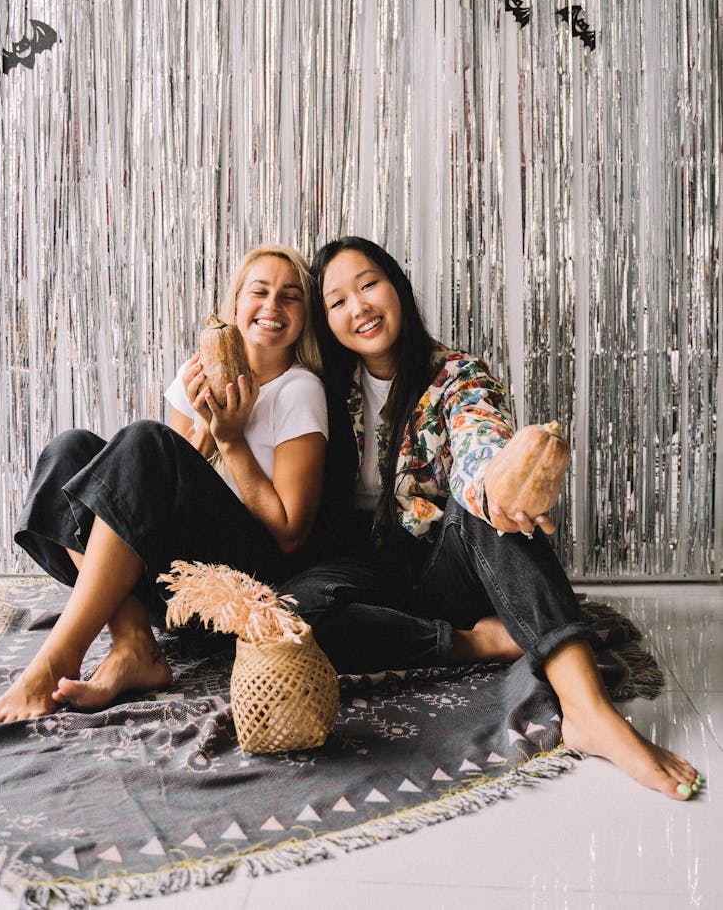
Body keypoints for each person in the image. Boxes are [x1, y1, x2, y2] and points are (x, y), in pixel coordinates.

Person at [284, 236, 702, 801]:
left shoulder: (457, 374)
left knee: (487, 508)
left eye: (368, 284)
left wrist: (498, 489)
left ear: (396, 286)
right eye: (336, 301)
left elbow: (483, 441)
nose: (357, 307)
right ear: (325, 320)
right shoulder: (324, 388)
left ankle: (589, 712)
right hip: (367, 575)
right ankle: (474, 645)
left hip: (444, 565)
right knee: (290, 618)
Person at [0, 244, 328, 725]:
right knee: (68, 450)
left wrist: (232, 441)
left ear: (305, 317)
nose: (272, 306)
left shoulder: (299, 389)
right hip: (171, 582)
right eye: (259, 292)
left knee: (145, 439)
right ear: (236, 305)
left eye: (290, 297)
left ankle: (55, 661)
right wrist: (207, 426)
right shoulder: (200, 371)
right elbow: (157, 491)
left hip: (243, 587)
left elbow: (289, 535)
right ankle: (133, 640)